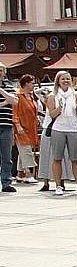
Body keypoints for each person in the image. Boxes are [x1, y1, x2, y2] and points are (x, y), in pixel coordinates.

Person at [46, 71, 77, 196]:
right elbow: (51, 114)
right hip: (58, 128)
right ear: (58, 81)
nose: (65, 81)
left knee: (75, 159)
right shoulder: (53, 96)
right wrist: (59, 109)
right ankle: (58, 186)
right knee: (57, 157)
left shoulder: (76, 95)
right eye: (63, 79)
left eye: (68, 79)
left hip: (74, 128)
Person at [10, 74, 39, 184]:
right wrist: (17, 125)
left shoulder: (31, 96)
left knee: (24, 151)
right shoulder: (18, 95)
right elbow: (15, 112)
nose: (34, 85)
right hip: (21, 127)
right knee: (26, 151)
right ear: (26, 84)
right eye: (32, 83)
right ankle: (29, 174)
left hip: (31, 127)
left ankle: (20, 174)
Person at [0, 63, 16, 192]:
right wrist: (7, 101)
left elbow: (15, 101)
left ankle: (6, 182)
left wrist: (1, 91)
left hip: (6, 125)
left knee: (7, 156)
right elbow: (10, 100)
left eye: (1, 70)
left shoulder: (9, 86)